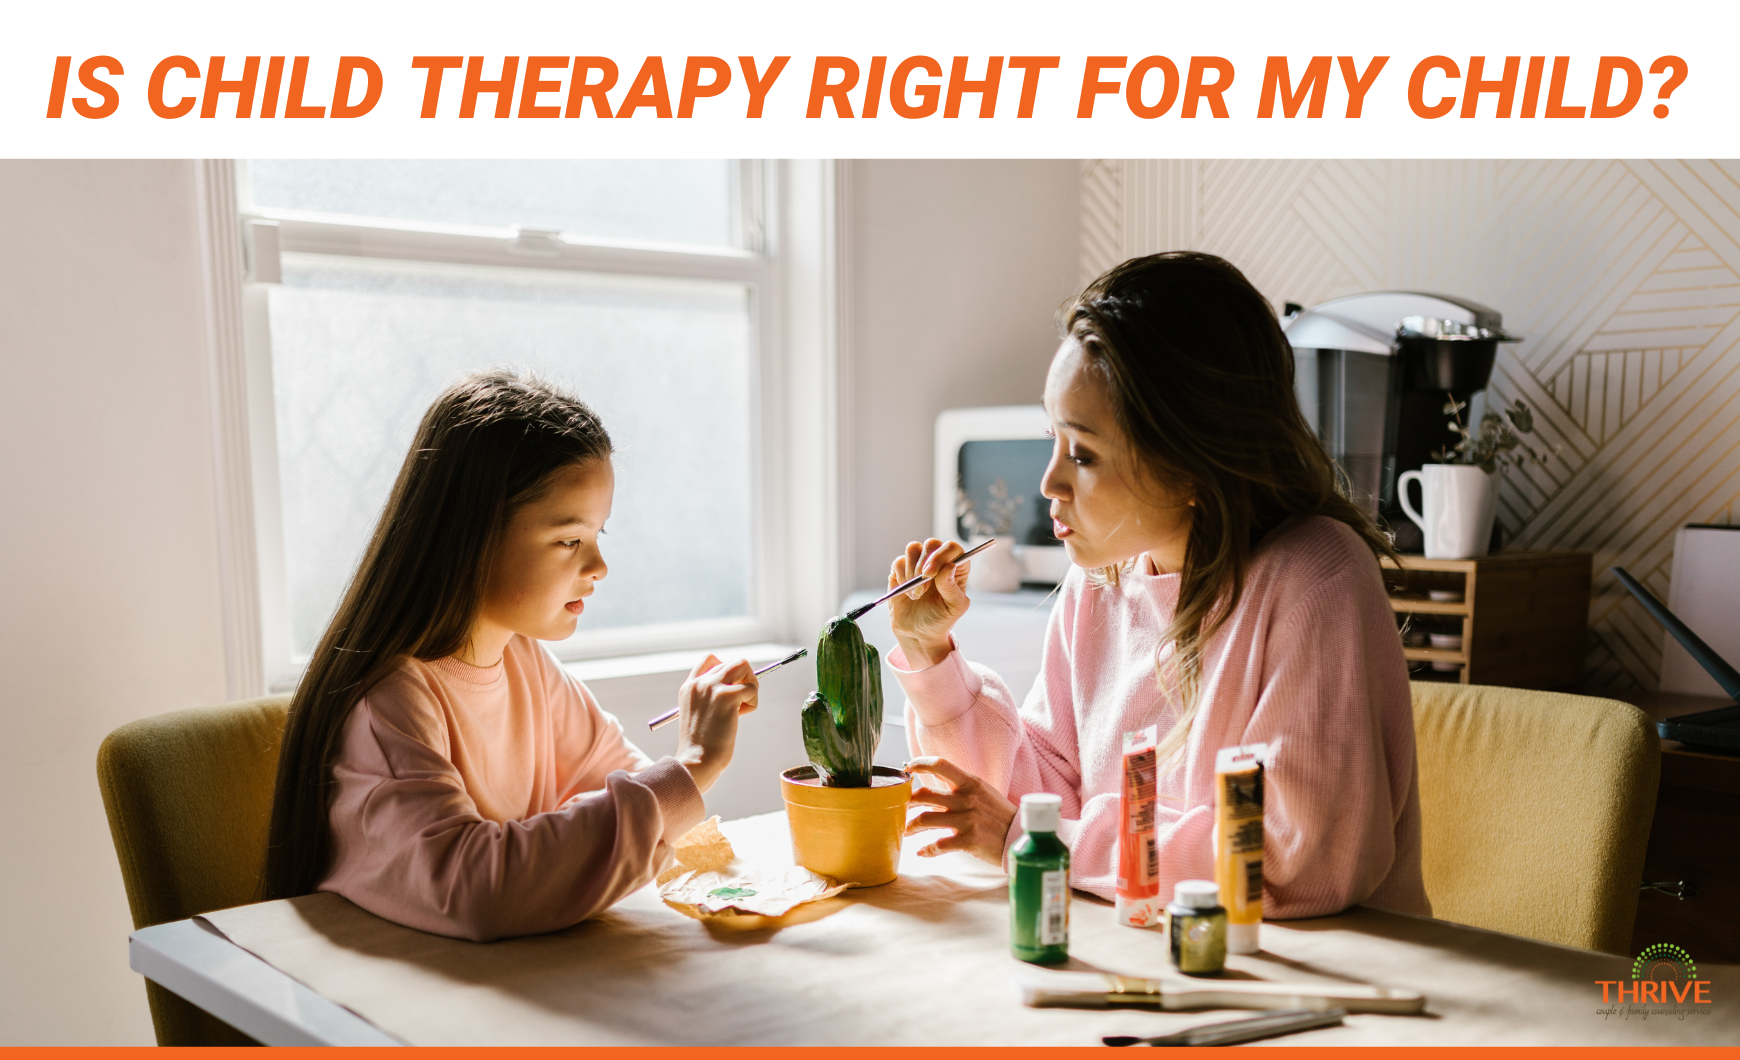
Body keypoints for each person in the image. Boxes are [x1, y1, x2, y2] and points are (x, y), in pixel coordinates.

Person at [888, 252, 1430, 919]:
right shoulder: (1100, 583)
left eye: (1082, 454)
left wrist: (1041, 841)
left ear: (1191, 457)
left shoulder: (1316, 578)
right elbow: (1038, 796)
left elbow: (1294, 860)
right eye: (1052, 441)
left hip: (1324, 991)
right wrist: (934, 659)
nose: (1048, 484)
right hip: (1152, 961)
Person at [261, 370, 757, 940]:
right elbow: (476, 888)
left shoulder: (524, 661)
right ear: (470, 537)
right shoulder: (390, 703)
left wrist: (680, 786)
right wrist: (693, 763)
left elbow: (627, 791)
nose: (598, 567)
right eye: (570, 540)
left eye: (599, 534)